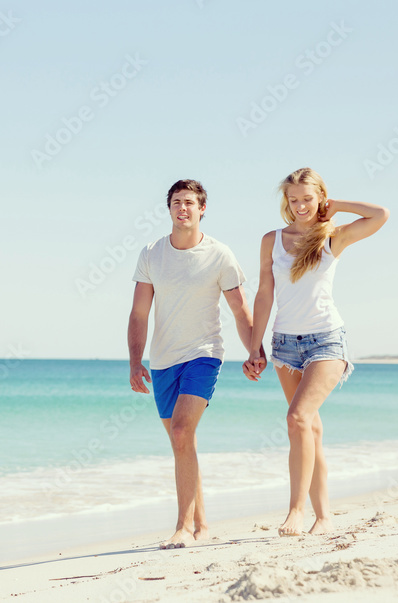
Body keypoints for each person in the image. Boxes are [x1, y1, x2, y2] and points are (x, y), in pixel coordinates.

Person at [244, 167, 389, 536]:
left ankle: (296, 510)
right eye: (294, 200)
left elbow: (380, 215)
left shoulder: (332, 236)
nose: (300, 206)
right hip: (284, 345)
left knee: (297, 419)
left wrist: (335, 206)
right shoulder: (272, 240)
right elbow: (264, 294)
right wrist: (254, 345)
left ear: (319, 197)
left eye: (308, 198)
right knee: (310, 428)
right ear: (286, 202)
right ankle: (324, 519)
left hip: (326, 340)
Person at [128, 179, 261, 549]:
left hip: (204, 354)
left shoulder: (220, 255)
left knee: (182, 432)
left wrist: (254, 350)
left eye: (189, 202)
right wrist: (134, 360)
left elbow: (240, 310)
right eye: (176, 202)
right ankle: (202, 525)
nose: (182, 208)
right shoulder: (152, 253)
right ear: (168, 208)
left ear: (203, 208)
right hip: (163, 360)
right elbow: (139, 312)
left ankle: (183, 527)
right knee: (181, 442)